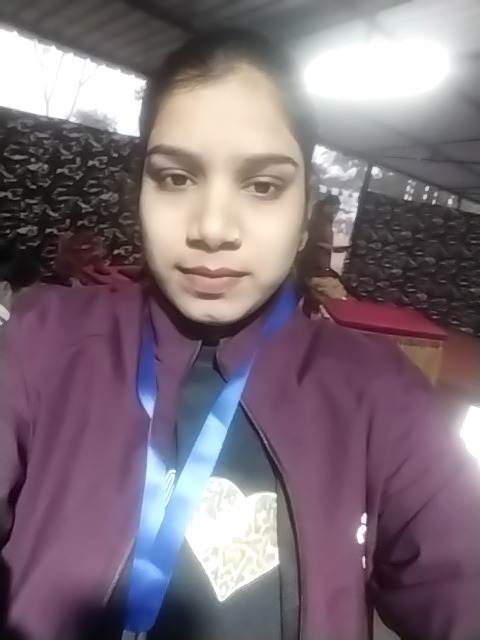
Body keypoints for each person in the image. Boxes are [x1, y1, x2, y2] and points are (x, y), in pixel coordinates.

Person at [1, 28, 479, 640]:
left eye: (263, 185)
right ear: (139, 189)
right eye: (176, 178)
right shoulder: (43, 343)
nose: (213, 227)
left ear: (304, 214)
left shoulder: (381, 397)